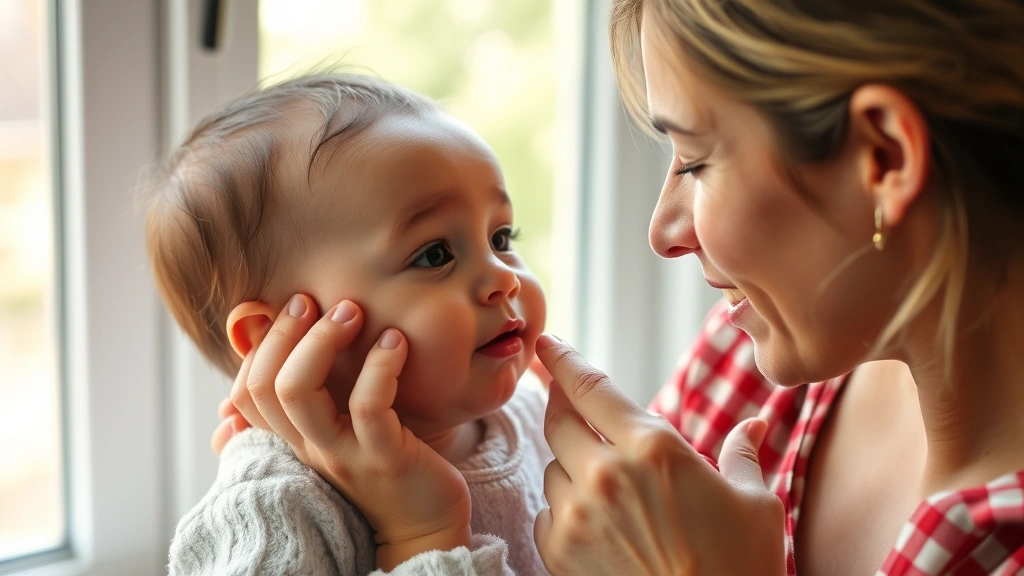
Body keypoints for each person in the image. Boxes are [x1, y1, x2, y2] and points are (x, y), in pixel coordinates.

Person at [217, 0, 1024, 573]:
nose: (664, 231)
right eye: (434, 252)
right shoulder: (752, 357)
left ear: (883, 159)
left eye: (699, 160)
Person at [144, 73, 553, 575]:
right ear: (276, 339)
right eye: (434, 254)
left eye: (501, 236)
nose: (504, 279)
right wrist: (422, 535)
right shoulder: (271, 514)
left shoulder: (535, 416)